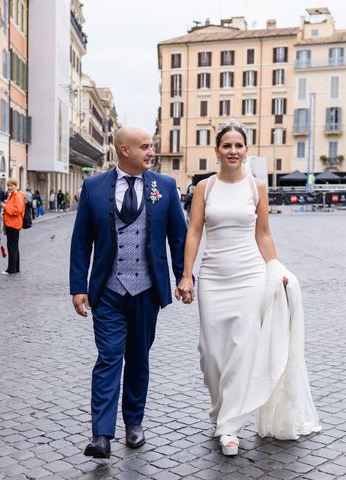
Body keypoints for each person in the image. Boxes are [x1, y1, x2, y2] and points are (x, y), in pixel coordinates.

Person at [177, 119, 321, 456]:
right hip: (213, 277)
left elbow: (264, 234)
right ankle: (219, 412)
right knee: (211, 354)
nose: (233, 151)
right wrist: (187, 274)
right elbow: (194, 231)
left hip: (250, 276)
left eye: (238, 145)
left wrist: (276, 269)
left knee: (242, 349)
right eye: (226, 145)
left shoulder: (256, 187)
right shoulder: (204, 188)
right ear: (217, 150)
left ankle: (229, 427)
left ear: (246, 150)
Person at [69, 126, 188, 459]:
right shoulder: (93, 187)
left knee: (138, 357)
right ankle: (101, 435)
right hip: (107, 290)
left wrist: (183, 276)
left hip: (147, 290)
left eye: (152, 146)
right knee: (108, 358)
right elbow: (81, 241)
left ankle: (134, 422)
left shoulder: (164, 186)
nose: (152, 152)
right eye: (145, 147)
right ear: (124, 150)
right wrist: (79, 286)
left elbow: (178, 237)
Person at [2, 178, 26, 274]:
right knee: (14, 246)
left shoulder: (17, 196)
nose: (9, 187)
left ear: (15, 185)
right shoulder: (12, 196)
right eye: (8, 185)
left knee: (12, 246)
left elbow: (17, 210)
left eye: (11, 185)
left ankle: (11, 269)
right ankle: (15, 268)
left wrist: (5, 206)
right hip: (11, 223)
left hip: (13, 223)